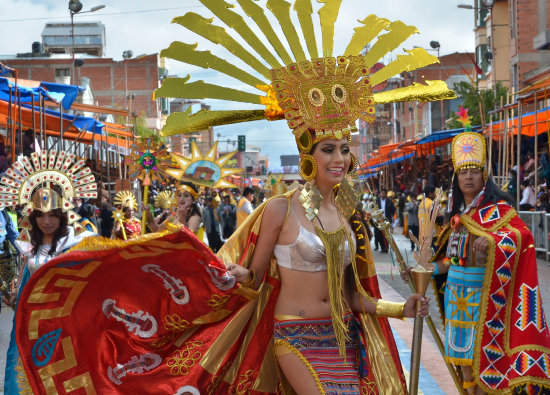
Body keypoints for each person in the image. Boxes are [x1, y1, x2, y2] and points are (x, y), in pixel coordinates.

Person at [420, 132, 550, 394]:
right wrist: (426, 270)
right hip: (457, 298)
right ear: (456, 179)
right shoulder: (455, 216)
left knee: (485, 368)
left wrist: (493, 241)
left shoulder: (500, 211)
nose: (468, 177)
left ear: (484, 176)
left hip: (487, 300)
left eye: (474, 171)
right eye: (463, 172)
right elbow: (451, 259)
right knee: (464, 365)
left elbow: (521, 236)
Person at [0, 150, 97, 395]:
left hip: (61, 320)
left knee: (58, 372)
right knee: (19, 366)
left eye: (52, 215)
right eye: (40, 215)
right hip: (28, 319)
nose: (46, 221)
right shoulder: (28, 243)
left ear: (62, 216)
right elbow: (24, 276)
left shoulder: (74, 242)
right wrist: (14, 295)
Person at [373, 189, 395, 253]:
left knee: (386, 234)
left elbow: (393, 210)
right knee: (379, 234)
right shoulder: (376, 201)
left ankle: (386, 247)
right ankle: (382, 247)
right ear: (380, 194)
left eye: (384, 193)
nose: (382, 195)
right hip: (378, 220)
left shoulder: (389, 201)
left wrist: (391, 219)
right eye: (381, 193)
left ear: (386, 194)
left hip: (386, 220)